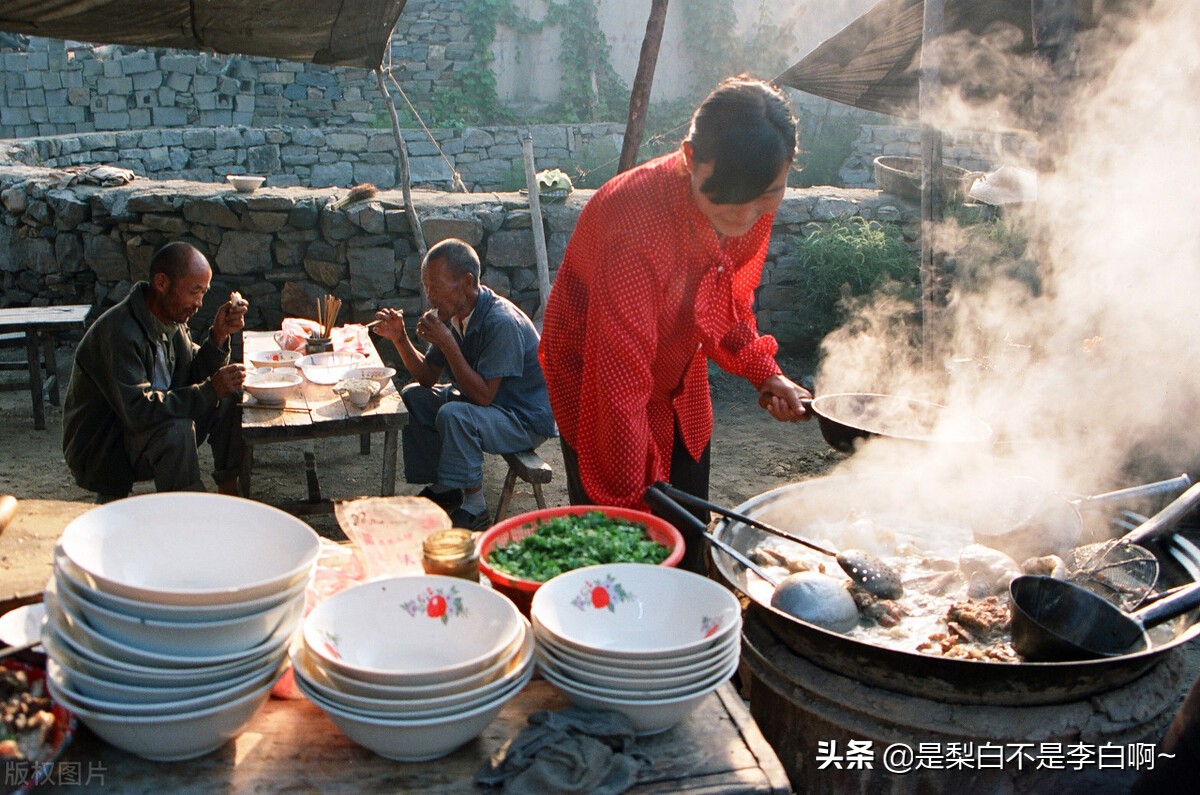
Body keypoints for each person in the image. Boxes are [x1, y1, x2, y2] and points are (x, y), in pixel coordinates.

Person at [538, 75, 812, 573]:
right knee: (627, 552)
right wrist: (635, 512)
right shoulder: (634, 224)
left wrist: (763, 370)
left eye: (769, 196)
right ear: (690, 158)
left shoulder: (748, 188)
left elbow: (725, 300)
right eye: (729, 204)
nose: (747, 219)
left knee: (688, 537)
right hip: (598, 382)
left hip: (678, 374)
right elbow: (619, 383)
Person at [372, 238, 557, 530]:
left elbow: (484, 397)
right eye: (426, 286)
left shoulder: (500, 322)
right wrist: (400, 338)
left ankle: (475, 507)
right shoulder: (453, 314)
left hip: (522, 418)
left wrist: (447, 343)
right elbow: (427, 377)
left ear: (467, 281)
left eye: (436, 286)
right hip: (490, 405)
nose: (430, 295)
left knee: (454, 415)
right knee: (414, 396)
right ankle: (446, 487)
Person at [62, 241, 247, 501]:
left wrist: (218, 337)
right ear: (162, 283)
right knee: (177, 429)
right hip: (104, 448)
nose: (199, 303)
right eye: (195, 291)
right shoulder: (120, 331)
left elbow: (190, 373)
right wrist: (209, 390)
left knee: (229, 396)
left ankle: (229, 490)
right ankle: (187, 515)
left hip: (145, 429)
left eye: (203, 293)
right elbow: (138, 410)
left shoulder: (170, 317)